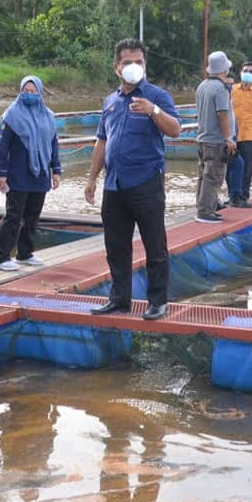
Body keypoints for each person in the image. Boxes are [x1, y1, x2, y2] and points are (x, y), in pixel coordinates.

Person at [84, 39, 182, 321]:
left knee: (155, 244)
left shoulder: (157, 96)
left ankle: (157, 301)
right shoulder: (110, 101)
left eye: (138, 62)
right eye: (128, 62)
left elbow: (175, 129)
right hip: (114, 185)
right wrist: (92, 179)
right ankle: (119, 299)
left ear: (145, 65)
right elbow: (102, 141)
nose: (133, 67)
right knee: (116, 246)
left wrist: (153, 111)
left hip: (146, 182)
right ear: (117, 67)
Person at [0, 76, 62, 271]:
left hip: (40, 173)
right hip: (18, 173)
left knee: (33, 215)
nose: (29, 95)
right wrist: (1, 172)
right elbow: (3, 146)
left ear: (40, 93)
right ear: (20, 92)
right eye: (25, 91)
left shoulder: (48, 115)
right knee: (14, 215)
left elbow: (53, 144)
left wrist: (56, 170)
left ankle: (25, 253)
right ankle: (1, 257)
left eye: (33, 91)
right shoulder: (12, 115)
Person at [194, 50, 237, 224]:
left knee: (203, 176)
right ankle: (205, 212)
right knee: (214, 177)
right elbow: (223, 115)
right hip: (215, 140)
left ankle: (205, 205)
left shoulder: (202, 85)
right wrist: (228, 138)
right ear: (224, 69)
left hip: (202, 138)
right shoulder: (220, 89)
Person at [228, 60, 252, 207]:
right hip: (232, 135)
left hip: (249, 135)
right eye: (245, 71)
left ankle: (243, 196)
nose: (247, 74)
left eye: (251, 72)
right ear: (240, 73)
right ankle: (232, 196)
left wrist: (248, 124)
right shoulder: (231, 90)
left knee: (247, 168)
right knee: (231, 167)